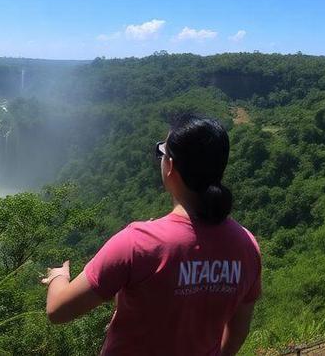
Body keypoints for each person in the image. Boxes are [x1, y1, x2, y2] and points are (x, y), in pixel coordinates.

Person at [42, 114, 261, 356]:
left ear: (170, 166)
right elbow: (238, 332)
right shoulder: (247, 246)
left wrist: (58, 277)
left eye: (162, 152)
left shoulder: (137, 244)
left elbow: (58, 310)